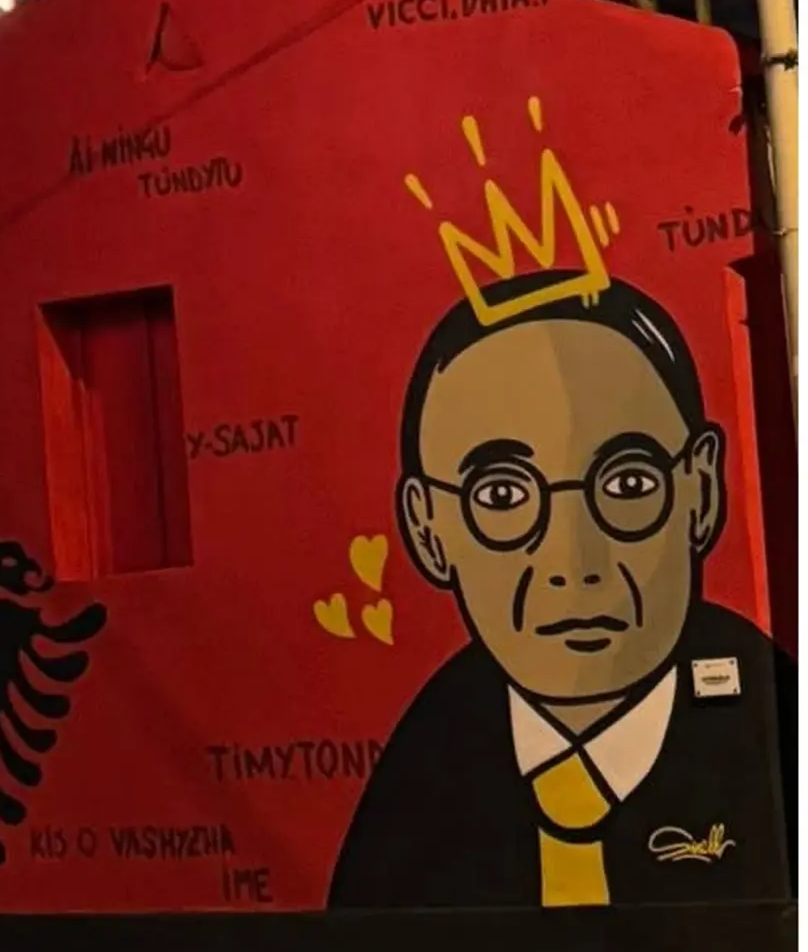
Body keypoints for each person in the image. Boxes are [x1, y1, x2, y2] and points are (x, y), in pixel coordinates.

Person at [329, 272, 791, 908]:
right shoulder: (426, 766)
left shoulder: (775, 722)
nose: (573, 563)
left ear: (701, 490)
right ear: (426, 528)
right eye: (502, 497)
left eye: (629, 485)